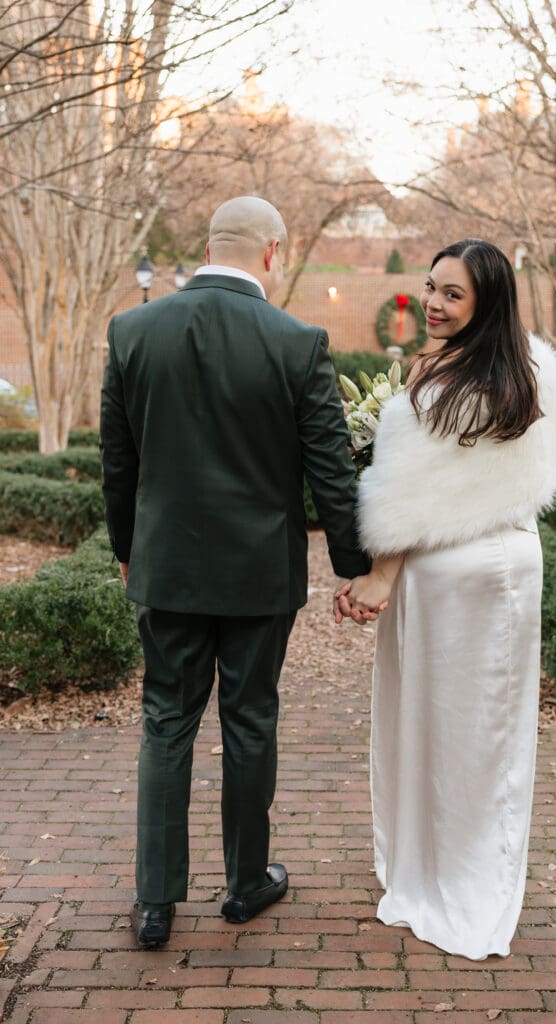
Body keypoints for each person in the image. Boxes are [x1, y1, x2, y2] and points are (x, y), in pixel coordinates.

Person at [100, 196, 370, 949]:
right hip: (258, 573)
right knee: (250, 721)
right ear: (273, 252)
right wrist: (355, 568)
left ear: (208, 244)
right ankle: (245, 885)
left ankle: (155, 904)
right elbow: (330, 470)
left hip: (167, 569)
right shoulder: (296, 341)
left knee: (165, 721)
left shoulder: (131, 330)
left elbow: (117, 464)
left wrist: (129, 547)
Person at [335, 239, 556, 958]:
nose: (432, 303)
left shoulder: (433, 384)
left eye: (451, 294)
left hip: (444, 574)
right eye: (430, 287)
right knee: (488, 739)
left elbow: (403, 498)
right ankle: (470, 872)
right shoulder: (535, 369)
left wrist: (378, 578)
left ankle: (445, 881)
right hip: (512, 562)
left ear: (484, 302)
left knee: (431, 730)